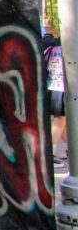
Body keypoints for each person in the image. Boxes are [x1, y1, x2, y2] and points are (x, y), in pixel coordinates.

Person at [44, 32, 68, 171]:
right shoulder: (68, 51)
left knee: (65, 122)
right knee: (60, 122)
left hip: (53, 88)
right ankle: (51, 155)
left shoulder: (51, 49)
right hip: (62, 88)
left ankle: (65, 151)